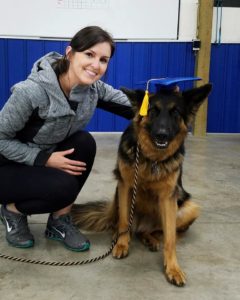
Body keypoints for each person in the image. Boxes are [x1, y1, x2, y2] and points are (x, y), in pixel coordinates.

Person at [0, 26, 132, 252]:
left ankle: (59, 221)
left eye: (103, 59)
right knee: (63, 188)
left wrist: (163, 99)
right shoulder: (31, 92)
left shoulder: (92, 89)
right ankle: (12, 211)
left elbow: (132, 105)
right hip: (6, 165)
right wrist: (44, 158)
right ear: (70, 54)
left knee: (84, 142)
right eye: (89, 55)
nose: (95, 65)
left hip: (37, 161)